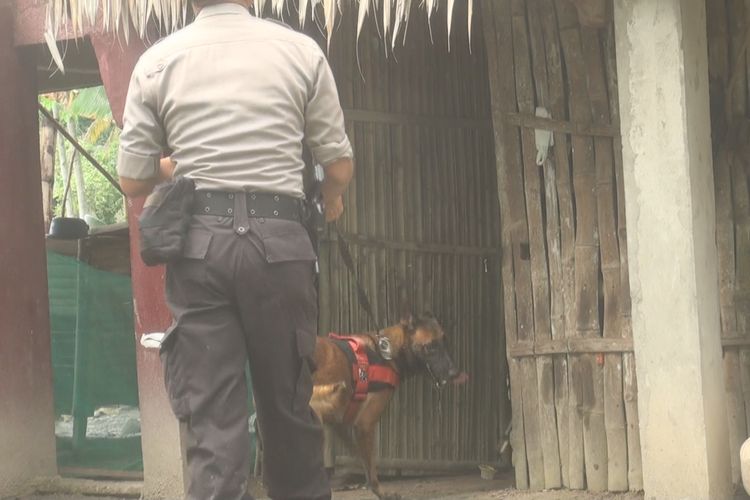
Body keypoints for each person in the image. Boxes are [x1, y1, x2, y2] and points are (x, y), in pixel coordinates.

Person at [116, 0, 354, 498]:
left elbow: (132, 178)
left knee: (214, 427)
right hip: (281, 248)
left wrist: (173, 167)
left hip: (199, 250)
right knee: (290, 414)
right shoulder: (301, 52)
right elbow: (338, 164)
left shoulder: (157, 62)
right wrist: (331, 197)